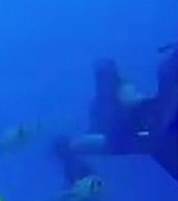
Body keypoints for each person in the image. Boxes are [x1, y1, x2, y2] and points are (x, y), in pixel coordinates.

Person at [53, 46, 178, 183]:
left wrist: (69, 148)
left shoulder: (148, 129)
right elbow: (105, 143)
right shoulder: (149, 128)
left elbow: (103, 144)